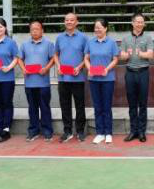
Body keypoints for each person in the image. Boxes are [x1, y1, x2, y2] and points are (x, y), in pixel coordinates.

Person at [18, 20, 56, 142]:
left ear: (42, 31)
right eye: (32, 29)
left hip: (43, 82)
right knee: (32, 108)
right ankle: (33, 131)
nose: (34, 31)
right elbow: (19, 59)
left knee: (45, 107)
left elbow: (53, 59)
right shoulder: (24, 45)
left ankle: (47, 131)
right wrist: (23, 69)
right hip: (29, 82)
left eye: (37, 29)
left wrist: (46, 68)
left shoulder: (48, 44)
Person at [84, 18, 120, 145]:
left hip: (107, 79)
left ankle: (108, 133)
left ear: (105, 28)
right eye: (96, 27)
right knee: (97, 106)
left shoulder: (111, 43)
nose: (97, 29)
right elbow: (86, 58)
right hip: (93, 79)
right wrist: (89, 68)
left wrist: (107, 69)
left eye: (99, 27)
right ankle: (100, 133)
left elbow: (115, 59)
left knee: (106, 106)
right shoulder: (90, 42)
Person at [54, 12, 88, 143]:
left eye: (71, 20)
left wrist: (79, 67)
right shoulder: (59, 38)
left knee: (80, 106)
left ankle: (80, 131)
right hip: (63, 78)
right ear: (64, 22)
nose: (69, 22)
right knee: (65, 105)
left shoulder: (83, 38)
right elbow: (56, 55)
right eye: (67, 20)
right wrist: (58, 66)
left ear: (76, 22)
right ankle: (67, 131)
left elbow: (87, 57)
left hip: (77, 78)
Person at [120, 13, 154, 143]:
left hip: (143, 73)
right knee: (132, 103)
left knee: (143, 103)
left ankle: (141, 132)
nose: (139, 24)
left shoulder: (148, 38)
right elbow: (121, 56)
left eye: (141, 22)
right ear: (132, 23)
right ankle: (133, 131)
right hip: (130, 73)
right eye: (137, 22)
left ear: (144, 24)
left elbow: (151, 55)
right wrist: (127, 55)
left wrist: (141, 53)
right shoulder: (125, 38)